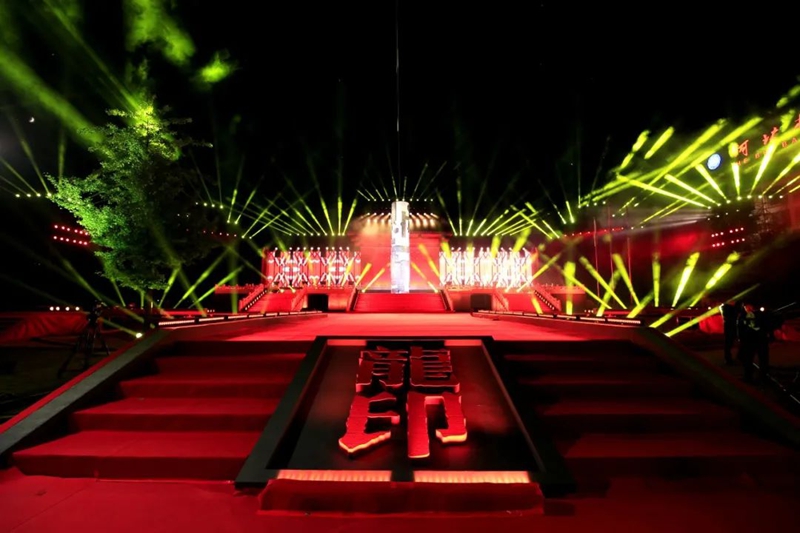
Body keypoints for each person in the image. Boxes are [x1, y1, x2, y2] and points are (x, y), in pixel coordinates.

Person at [737, 303, 770, 383]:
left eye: (749, 306)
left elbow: (766, 326)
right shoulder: (743, 316)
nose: (747, 308)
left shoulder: (760, 315)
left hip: (759, 339)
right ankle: (748, 376)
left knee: (762, 359)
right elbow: (740, 327)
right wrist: (740, 338)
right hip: (749, 340)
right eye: (746, 307)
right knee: (748, 359)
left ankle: (762, 377)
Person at [719, 300, 740, 365]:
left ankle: (729, 359)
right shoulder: (728, 308)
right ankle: (729, 359)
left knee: (728, 344)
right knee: (728, 344)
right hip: (730, 328)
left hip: (730, 328)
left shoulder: (727, 308)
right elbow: (730, 317)